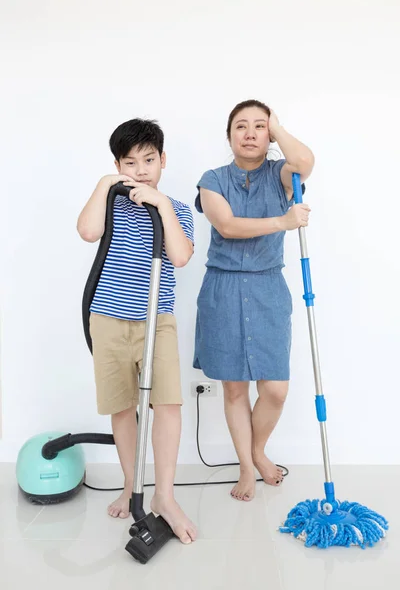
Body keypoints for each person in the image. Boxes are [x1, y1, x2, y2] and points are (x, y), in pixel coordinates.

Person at [77, 118, 197, 544]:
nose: (142, 169)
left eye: (149, 160)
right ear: (118, 165)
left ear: (163, 160)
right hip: (108, 318)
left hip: (156, 322)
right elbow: (88, 231)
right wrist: (107, 183)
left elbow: (180, 257)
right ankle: (131, 484)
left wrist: (161, 205)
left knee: (167, 404)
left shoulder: (177, 209)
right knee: (122, 406)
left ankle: (163, 494)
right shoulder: (111, 203)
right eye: (131, 163)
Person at [193, 99, 314, 502]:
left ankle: (257, 450)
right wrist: (284, 221)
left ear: (269, 135)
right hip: (223, 290)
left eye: (258, 127)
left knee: (275, 388)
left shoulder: (282, 174)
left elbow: (306, 161)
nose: (249, 133)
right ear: (229, 136)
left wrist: (278, 128)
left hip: (267, 289)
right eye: (240, 126)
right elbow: (226, 225)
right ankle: (247, 466)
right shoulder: (212, 179)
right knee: (234, 391)